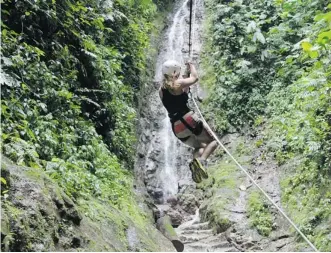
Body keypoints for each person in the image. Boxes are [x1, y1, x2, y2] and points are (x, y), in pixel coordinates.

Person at [159, 60, 218, 183]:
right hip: (188, 119)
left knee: (199, 147)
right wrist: (191, 65)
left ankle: (196, 163)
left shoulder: (162, 90)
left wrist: (184, 75)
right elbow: (195, 78)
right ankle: (202, 162)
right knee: (213, 142)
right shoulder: (179, 83)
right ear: (175, 72)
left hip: (177, 128)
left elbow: (179, 92)